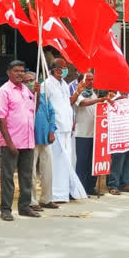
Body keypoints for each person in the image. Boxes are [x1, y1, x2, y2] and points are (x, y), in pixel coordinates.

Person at [0, 61, 39, 221]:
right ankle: (6, 209)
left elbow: (34, 110)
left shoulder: (26, 90)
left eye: (22, 71)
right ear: (9, 73)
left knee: (26, 176)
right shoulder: (4, 91)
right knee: (7, 177)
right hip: (12, 142)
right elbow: (1, 119)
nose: (20, 74)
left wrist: (37, 95)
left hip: (28, 141)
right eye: (16, 71)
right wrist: (9, 143)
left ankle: (24, 206)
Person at [43, 58, 86, 202]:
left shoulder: (64, 85)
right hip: (55, 129)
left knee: (67, 161)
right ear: (56, 70)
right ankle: (55, 194)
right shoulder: (47, 85)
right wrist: (49, 129)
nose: (66, 70)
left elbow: (67, 103)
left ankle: (66, 192)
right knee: (56, 162)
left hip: (67, 128)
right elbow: (45, 109)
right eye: (63, 67)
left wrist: (78, 92)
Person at [73, 73, 111, 196]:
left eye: (92, 79)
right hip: (82, 133)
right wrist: (100, 99)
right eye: (88, 80)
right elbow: (83, 103)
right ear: (80, 82)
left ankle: (90, 187)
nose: (91, 82)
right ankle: (81, 189)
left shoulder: (92, 93)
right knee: (81, 163)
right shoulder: (78, 93)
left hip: (94, 133)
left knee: (91, 162)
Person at [27, 72, 58, 211]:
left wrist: (52, 130)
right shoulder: (25, 97)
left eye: (32, 80)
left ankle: (46, 199)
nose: (30, 82)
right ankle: (32, 201)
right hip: (30, 139)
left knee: (48, 170)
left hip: (45, 137)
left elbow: (52, 113)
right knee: (31, 171)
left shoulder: (44, 97)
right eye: (27, 80)